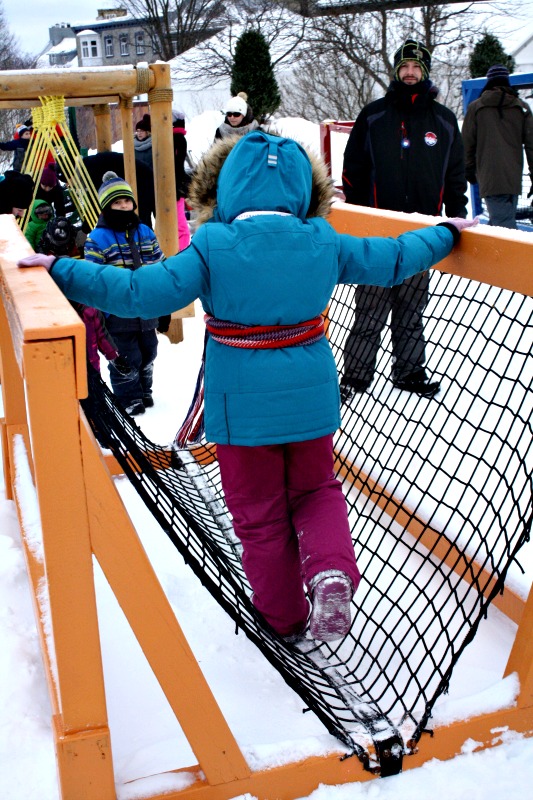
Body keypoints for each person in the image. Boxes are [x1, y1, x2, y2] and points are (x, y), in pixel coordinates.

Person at [18, 131, 477, 642]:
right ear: (304, 188)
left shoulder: (212, 246)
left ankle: (283, 620)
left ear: (228, 187)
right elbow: (391, 258)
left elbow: (137, 293)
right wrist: (444, 233)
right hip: (311, 399)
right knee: (317, 490)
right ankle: (329, 572)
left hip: (241, 410)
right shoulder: (322, 239)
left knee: (259, 515)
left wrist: (63, 268)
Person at [341, 39, 468, 401]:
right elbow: (353, 169)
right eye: (404, 67)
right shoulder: (375, 115)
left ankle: (409, 372)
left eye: (417, 68)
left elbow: (455, 175)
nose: (410, 73)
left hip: (421, 233)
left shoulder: (443, 121)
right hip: (378, 236)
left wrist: (455, 219)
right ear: (396, 71)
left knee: (411, 308)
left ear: (425, 72)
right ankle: (356, 376)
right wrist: (363, 214)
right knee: (369, 307)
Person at [81, 170, 164, 416]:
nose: (123, 206)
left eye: (126, 201)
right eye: (117, 202)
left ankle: (144, 389)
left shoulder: (145, 232)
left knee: (149, 350)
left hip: (146, 306)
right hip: (116, 310)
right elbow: (92, 275)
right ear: (107, 207)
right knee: (127, 355)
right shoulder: (97, 238)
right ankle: (128, 397)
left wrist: (165, 302)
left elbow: (159, 264)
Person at [462, 64, 533, 230]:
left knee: (502, 227)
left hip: (488, 176)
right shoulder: (521, 108)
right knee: (503, 224)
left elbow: (466, 144)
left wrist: (469, 170)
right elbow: (531, 146)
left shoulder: (476, 108)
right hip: (512, 177)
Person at [171, 108, 191, 251]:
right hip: (176, 184)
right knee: (179, 222)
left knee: (180, 223)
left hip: (175, 184)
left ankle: (182, 250)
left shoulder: (176, 140)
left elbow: (177, 165)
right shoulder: (178, 139)